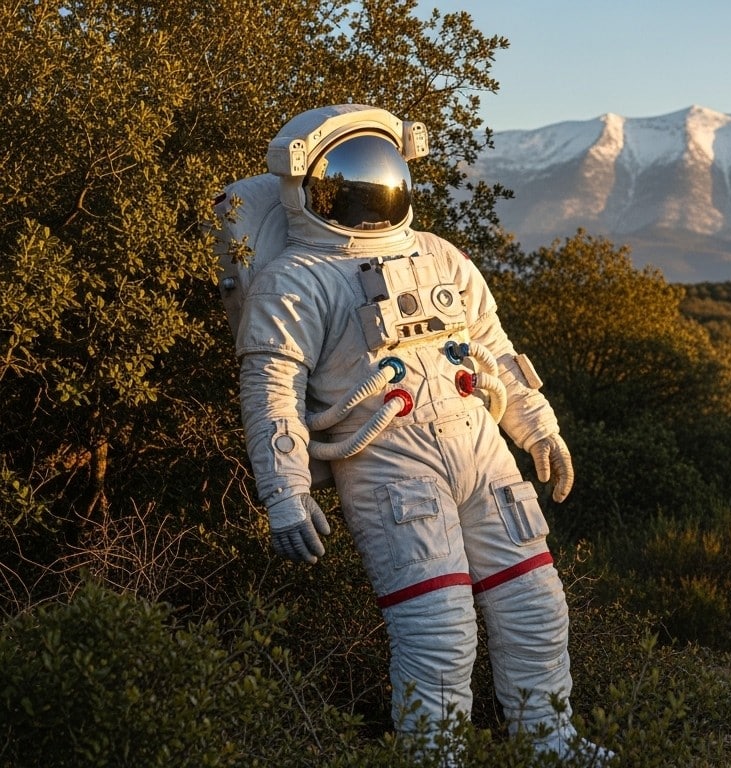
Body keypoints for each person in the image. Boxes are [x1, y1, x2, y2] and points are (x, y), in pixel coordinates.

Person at [226, 104, 610, 762]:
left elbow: (493, 348)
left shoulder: (437, 255)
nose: (368, 194)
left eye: (375, 173)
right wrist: (285, 491)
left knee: (536, 605)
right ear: (305, 184)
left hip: (481, 449)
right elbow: (272, 391)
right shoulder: (293, 281)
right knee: (438, 629)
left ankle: (550, 744)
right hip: (388, 463)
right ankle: (436, 757)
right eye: (349, 179)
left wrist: (537, 426)